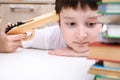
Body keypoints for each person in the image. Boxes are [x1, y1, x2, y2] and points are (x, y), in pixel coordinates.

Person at [0, 0, 102, 57]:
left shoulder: (112, 33)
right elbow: (13, 40)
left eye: (91, 24)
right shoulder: (53, 35)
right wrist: (3, 43)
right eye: (71, 23)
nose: (81, 35)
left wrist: (94, 53)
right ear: (59, 23)